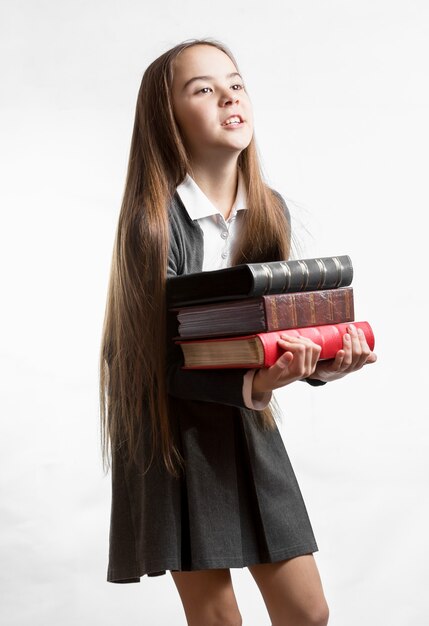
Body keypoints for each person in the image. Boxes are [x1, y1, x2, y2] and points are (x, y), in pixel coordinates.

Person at [99, 38, 377, 626]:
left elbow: (276, 329)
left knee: (307, 611)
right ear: (168, 119)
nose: (228, 94)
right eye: (203, 89)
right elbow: (143, 361)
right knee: (218, 618)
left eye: (235, 82)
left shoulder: (268, 209)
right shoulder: (153, 223)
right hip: (168, 430)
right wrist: (256, 380)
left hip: (244, 421)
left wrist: (320, 364)